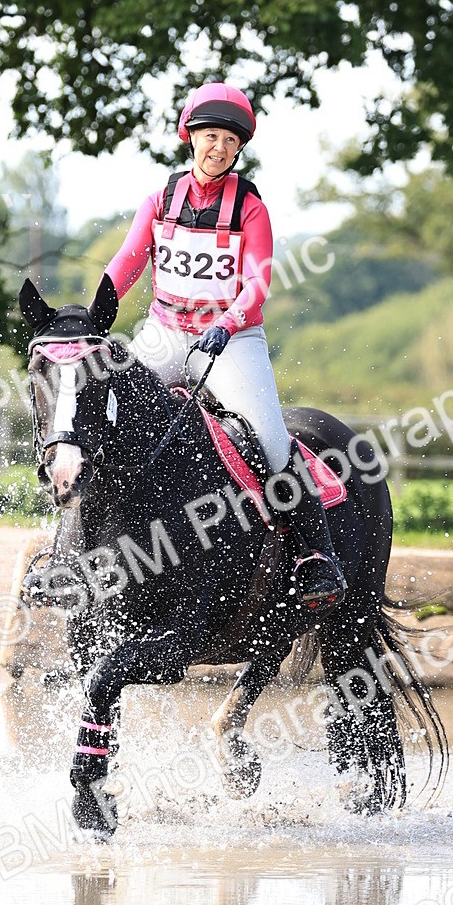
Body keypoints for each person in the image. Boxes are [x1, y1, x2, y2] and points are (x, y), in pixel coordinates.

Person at [104, 81, 345, 607]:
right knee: (104, 412)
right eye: (210, 136)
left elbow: (257, 281)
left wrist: (228, 322)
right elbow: (127, 262)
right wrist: (97, 309)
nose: (219, 147)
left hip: (232, 338)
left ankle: (314, 555)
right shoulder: (159, 200)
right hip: (165, 333)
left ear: (239, 149)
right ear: (190, 137)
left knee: (272, 441)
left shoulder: (250, 207)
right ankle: (67, 547)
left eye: (230, 141)